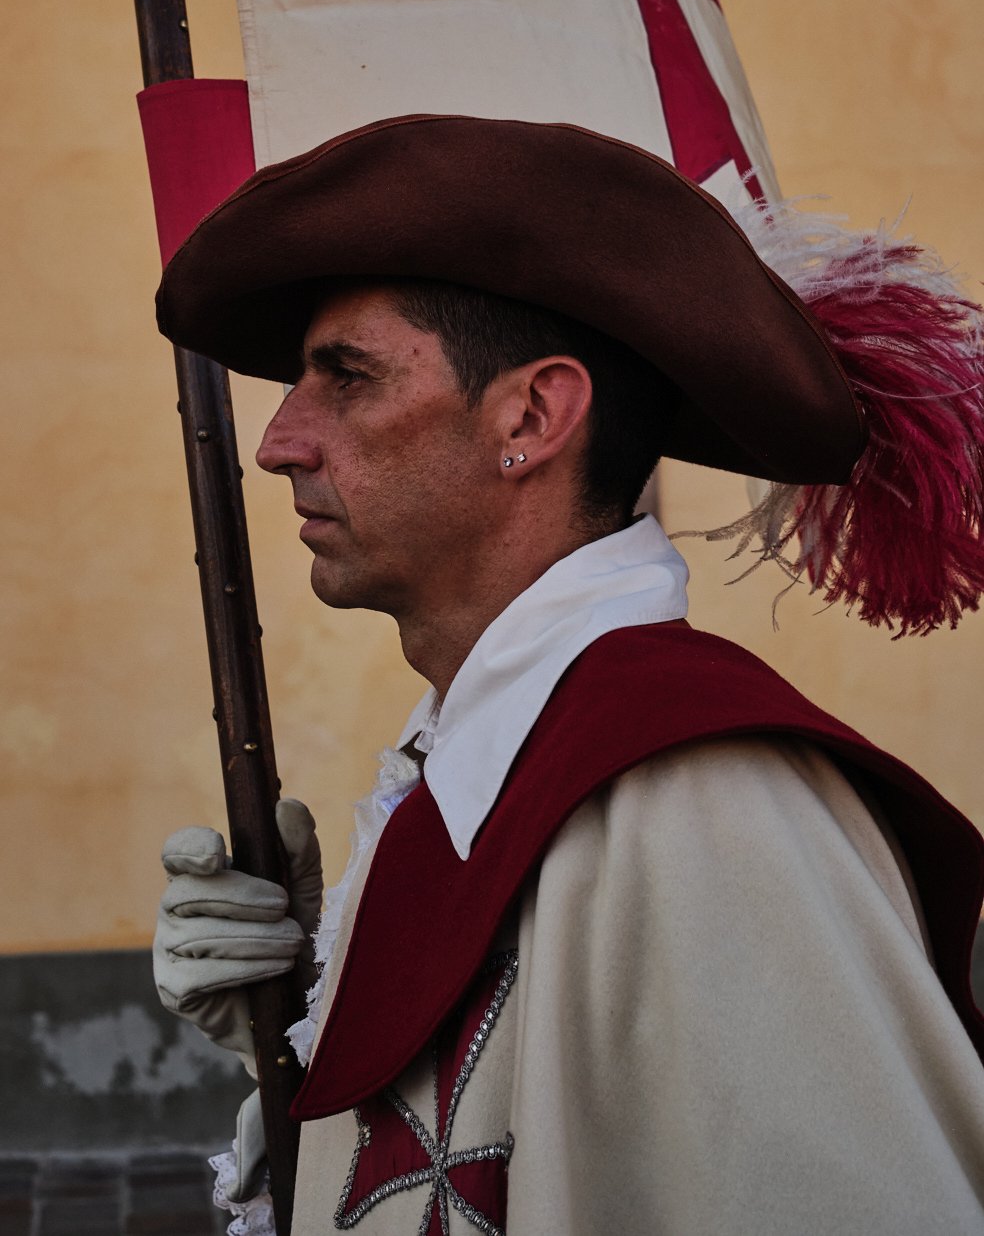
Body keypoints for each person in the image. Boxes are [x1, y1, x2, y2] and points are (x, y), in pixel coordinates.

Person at [153, 115, 984, 1234]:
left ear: (532, 417)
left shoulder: (705, 801)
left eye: (344, 377)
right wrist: (306, 1012)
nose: (280, 439)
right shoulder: (486, 752)